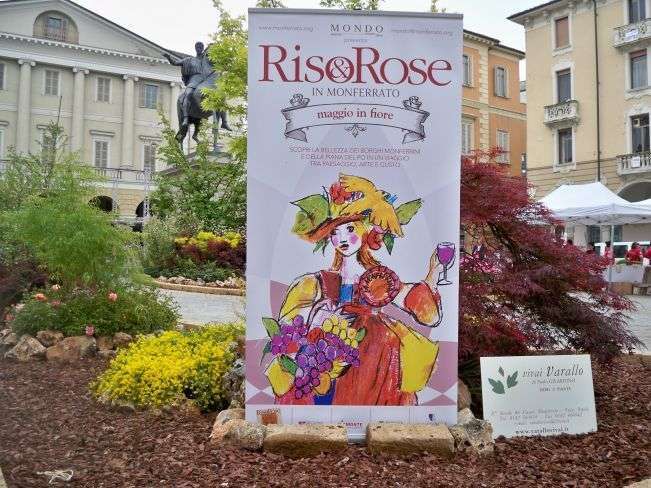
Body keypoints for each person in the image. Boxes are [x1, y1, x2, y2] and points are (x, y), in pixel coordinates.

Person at [265, 174, 447, 406]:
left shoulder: (377, 278)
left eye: (350, 229)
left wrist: (433, 274)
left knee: (374, 375)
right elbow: (290, 323)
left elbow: (426, 314)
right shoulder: (316, 282)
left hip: (374, 353)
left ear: (366, 232)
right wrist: (318, 319)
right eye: (334, 233)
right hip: (329, 351)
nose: (342, 238)